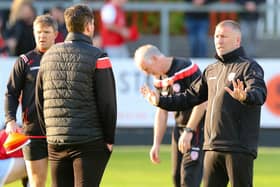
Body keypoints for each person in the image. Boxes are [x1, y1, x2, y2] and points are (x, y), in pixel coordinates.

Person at [140, 20, 267, 187]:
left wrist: (245, 96)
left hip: (238, 148)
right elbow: (188, 97)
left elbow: (260, 94)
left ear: (237, 40)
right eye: (216, 36)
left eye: (224, 36)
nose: (219, 40)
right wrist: (160, 100)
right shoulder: (211, 70)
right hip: (212, 147)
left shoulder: (249, 67)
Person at [35, 4, 117, 187]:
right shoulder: (98, 56)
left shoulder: (47, 56)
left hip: (56, 140)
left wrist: (49, 133)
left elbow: (39, 101)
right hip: (88, 140)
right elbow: (108, 103)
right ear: (89, 26)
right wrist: (109, 138)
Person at [134, 44, 206, 187]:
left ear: (154, 58)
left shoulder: (187, 68)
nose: (147, 73)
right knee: (177, 178)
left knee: (189, 179)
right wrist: (156, 144)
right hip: (179, 130)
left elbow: (203, 102)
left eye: (146, 69)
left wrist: (189, 130)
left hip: (197, 129)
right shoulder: (159, 79)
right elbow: (162, 111)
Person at [4, 14, 58, 187]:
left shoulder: (64, 60)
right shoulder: (25, 61)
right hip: (33, 131)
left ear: (55, 33)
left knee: (64, 182)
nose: (42, 36)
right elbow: (11, 93)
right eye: (38, 32)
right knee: (36, 182)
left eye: (46, 32)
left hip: (61, 131)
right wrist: (10, 120)